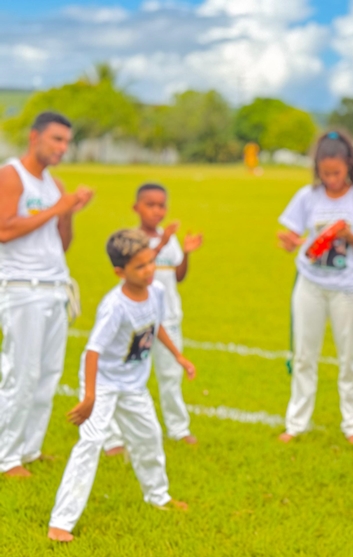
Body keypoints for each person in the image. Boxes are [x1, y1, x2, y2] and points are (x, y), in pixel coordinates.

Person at [47, 229, 195, 542]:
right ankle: (61, 522)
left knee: (149, 437)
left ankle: (158, 496)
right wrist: (89, 397)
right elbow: (93, 350)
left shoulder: (156, 292)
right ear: (120, 272)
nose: (149, 270)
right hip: (103, 383)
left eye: (151, 262)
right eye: (140, 267)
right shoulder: (114, 306)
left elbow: (155, 327)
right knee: (89, 444)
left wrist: (179, 356)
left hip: (133, 386)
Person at [0, 111, 93, 477]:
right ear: (34, 137)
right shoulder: (11, 175)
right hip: (23, 289)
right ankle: (6, 457)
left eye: (67, 142)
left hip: (55, 288)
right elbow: (4, 229)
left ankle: (30, 448)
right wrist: (58, 207)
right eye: (56, 139)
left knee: (48, 375)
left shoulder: (54, 184)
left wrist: (68, 211)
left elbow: (61, 242)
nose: (62, 148)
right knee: (22, 374)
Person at [277, 131, 353, 444]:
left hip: (348, 288)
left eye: (336, 173)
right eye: (325, 173)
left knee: (350, 357)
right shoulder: (307, 196)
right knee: (303, 356)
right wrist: (289, 242)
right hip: (310, 285)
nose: (331, 179)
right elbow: (293, 236)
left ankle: (352, 425)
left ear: (349, 165)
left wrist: (349, 235)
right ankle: (296, 423)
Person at [104, 183, 203, 456]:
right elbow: (143, 262)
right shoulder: (132, 240)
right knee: (128, 375)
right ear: (136, 207)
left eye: (161, 205)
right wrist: (162, 241)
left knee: (171, 374)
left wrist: (187, 252)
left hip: (168, 316)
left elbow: (177, 274)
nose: (157, 211)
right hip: (138, 320)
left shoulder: (169, 237)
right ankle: (113, 436)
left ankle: (178, 428)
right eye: (150, 204)